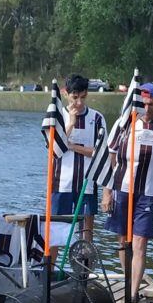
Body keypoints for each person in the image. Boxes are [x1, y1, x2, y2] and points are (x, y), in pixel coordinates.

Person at [101, 83, 153, 303]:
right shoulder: (124, 123)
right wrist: (107, 191)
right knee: (123, 241)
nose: (146, 109)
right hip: (122, 189)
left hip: (147, 194)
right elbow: (111, 158)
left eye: (151, 104)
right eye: (143, 104)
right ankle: (130, 278)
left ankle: (131, 294)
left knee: (139, 243)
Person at [51, 74, 107, 244]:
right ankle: (51, 270)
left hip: (87, 185)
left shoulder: (97, 118)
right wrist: (71, 124)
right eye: (75, 98)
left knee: (86, 233)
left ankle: (84, 271)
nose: (79, 103)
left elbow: (100, 154)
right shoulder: (57, 117)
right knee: (55, 231)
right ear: (66, 94)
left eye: (83, 97)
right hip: (61, 184)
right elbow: (53, 150)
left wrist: (73, 146)